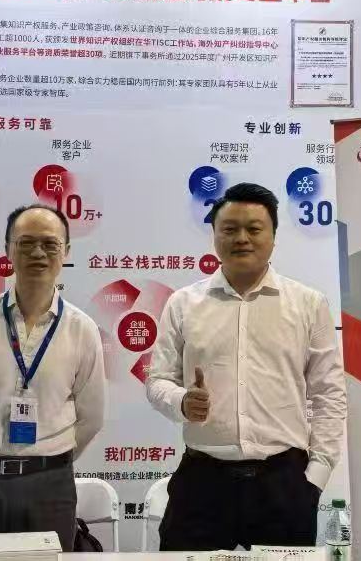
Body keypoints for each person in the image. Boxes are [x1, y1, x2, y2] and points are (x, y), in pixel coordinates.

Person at [146, 183, 346, 551]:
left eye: (254, 229)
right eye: (230, 229)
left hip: (282, 482)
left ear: (273, 236)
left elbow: (329, 393)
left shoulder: (308, 304)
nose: (242, 238)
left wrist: (315, 477)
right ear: (214, 235)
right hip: (202, 479)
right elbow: (158, 380)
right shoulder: (183, 303)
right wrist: (181, 401)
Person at [0, 205, 105, 550]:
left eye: (49, 244)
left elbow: (91, 416)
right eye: (26, 242)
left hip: (48, 486)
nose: (38, 253)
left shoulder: (82, 329)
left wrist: (45, 460)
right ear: (8, 249)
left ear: (66, 251)